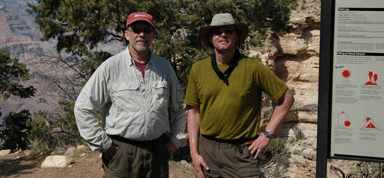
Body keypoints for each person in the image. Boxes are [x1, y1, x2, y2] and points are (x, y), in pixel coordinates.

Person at [74, 12, 187, 178]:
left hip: (157, 152)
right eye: (136, 29)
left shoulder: (164, 67)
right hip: (121, 153)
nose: (142, 34)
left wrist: (175, 142)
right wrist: (104, 145)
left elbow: (181, 107)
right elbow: (83, 107)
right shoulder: (111, 67)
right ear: (127, 35)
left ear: (153, 35)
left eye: (147, 30)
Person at [185, 13, 294, 178]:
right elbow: (193, 112)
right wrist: (194, 152)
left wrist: (267, 134)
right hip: (207, 150)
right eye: (217, 31)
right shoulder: (198, 69)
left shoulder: (252, 67)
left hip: (241, 152)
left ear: (236, 37)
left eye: (228, 30)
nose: (223, 34)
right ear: (210, 38)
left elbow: (286, 98)